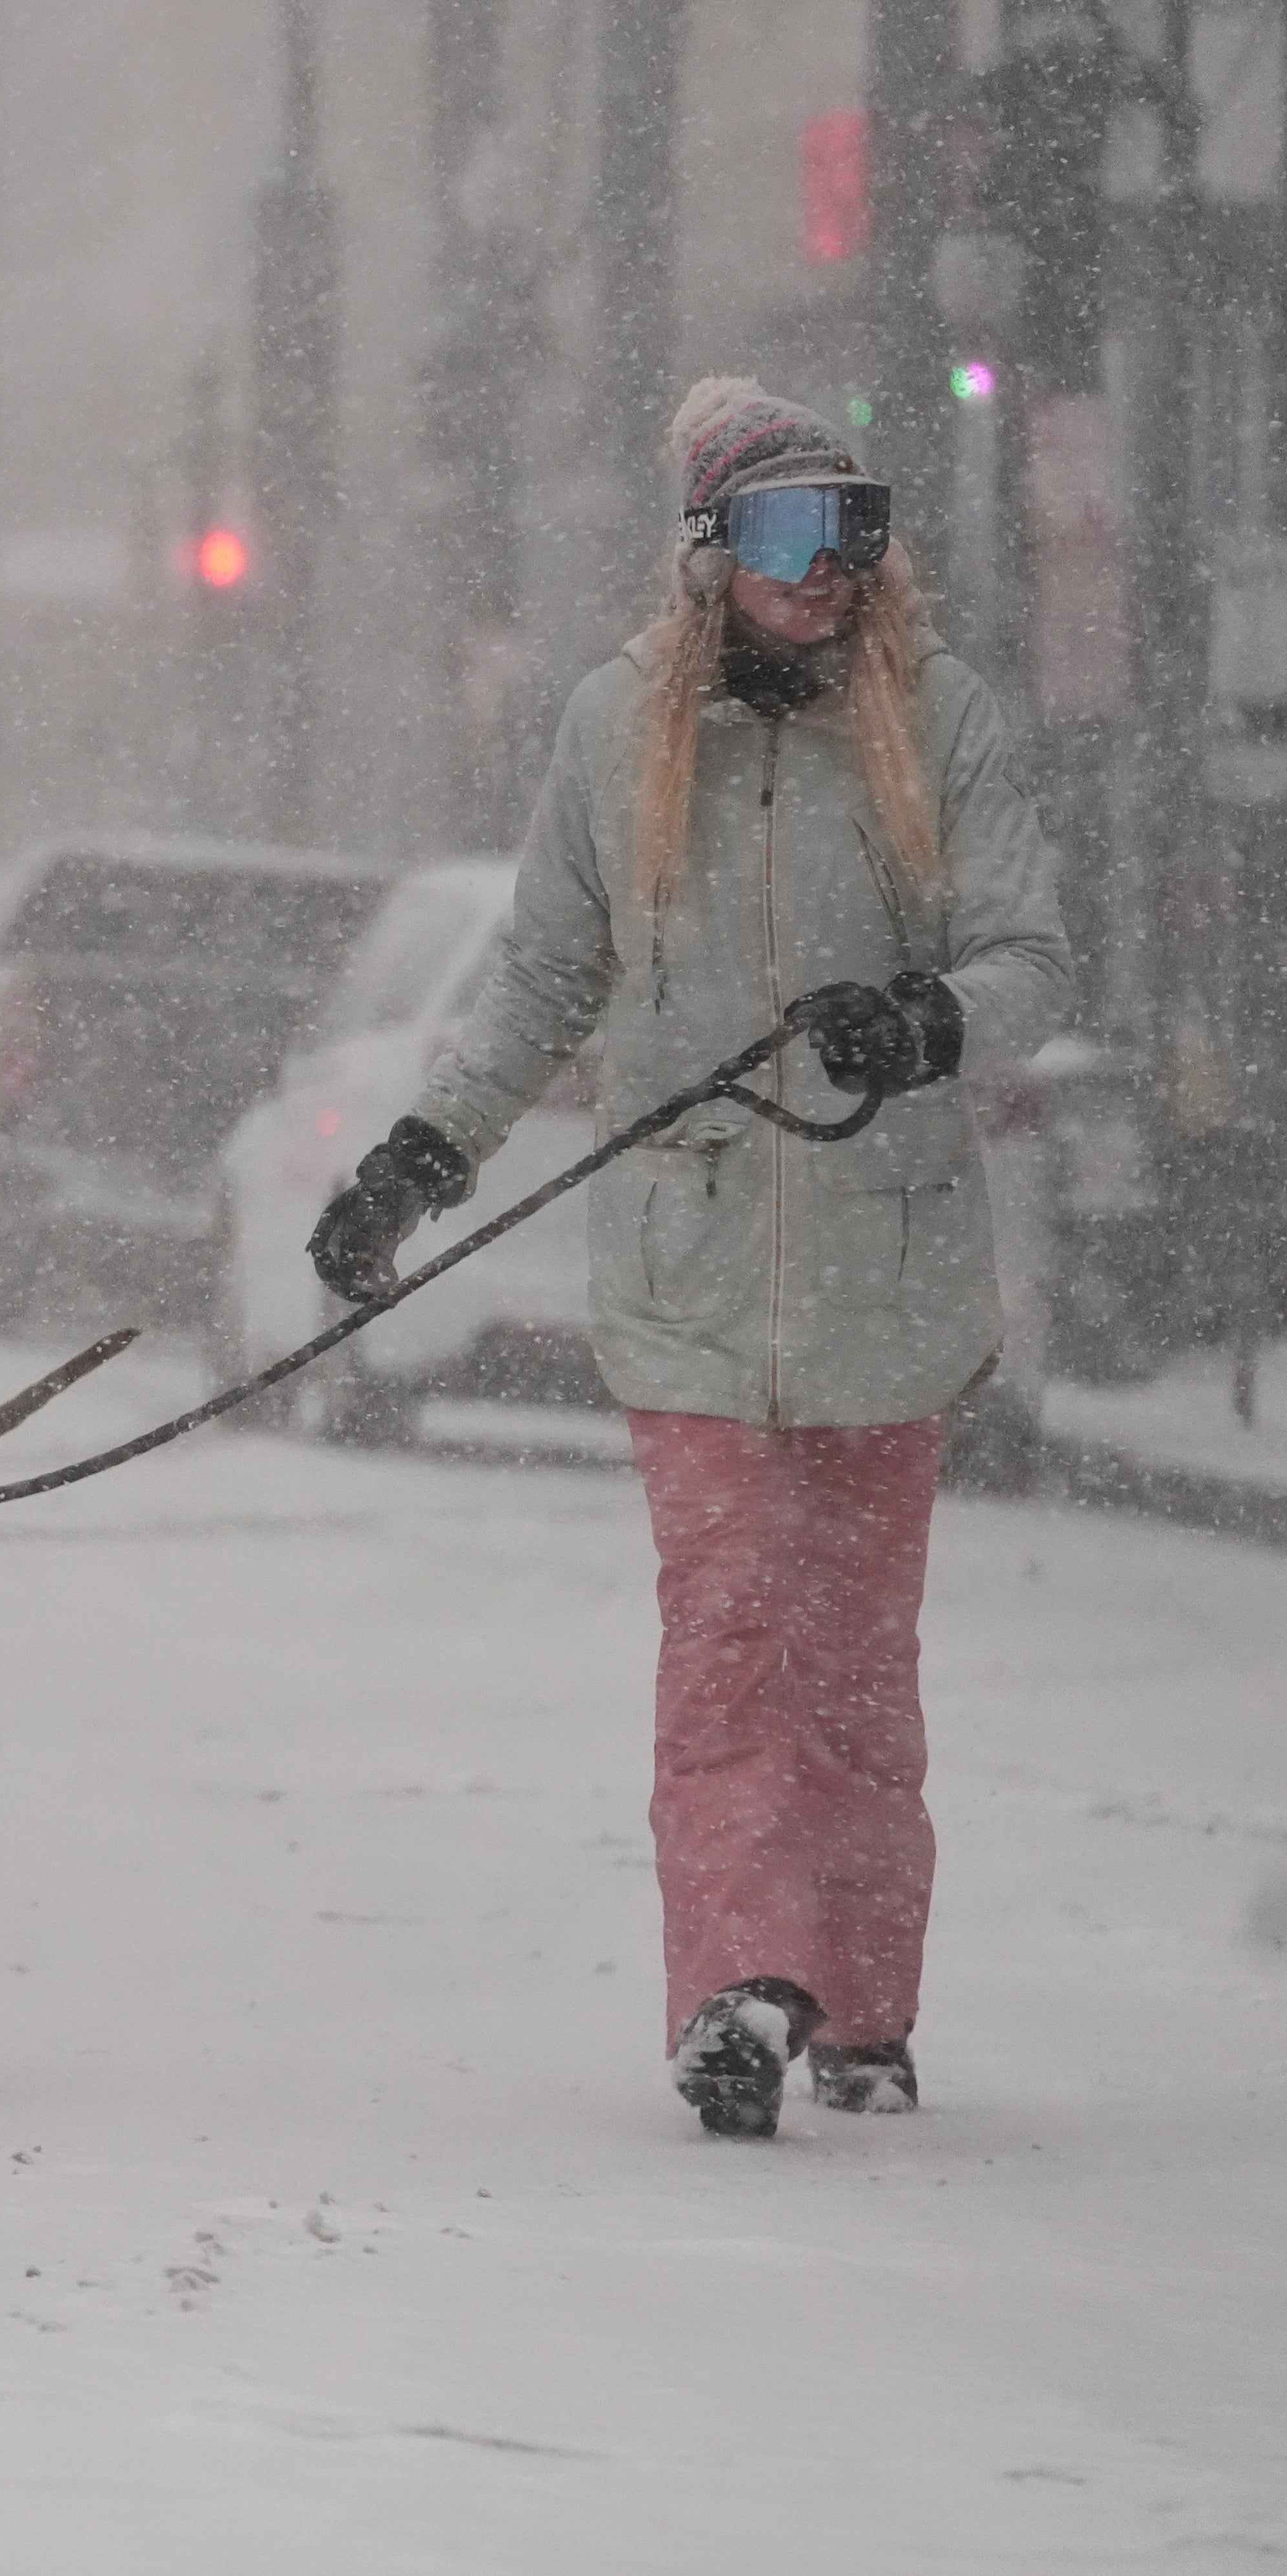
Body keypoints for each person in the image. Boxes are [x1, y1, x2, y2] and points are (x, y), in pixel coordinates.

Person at [307, 380, 1075, 2139]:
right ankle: (736, 1984)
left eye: (854, 530)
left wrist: (924, 1015)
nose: (828, 572)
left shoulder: (937, 720)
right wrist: (418, 1159)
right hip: (689, 1265)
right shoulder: (615, 730)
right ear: (711, 551)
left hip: (887, 1267)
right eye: (792, 536)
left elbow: (1030, 953)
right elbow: (543, 980)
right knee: (726, 1630)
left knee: (854, 1651)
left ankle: (863, 1998)